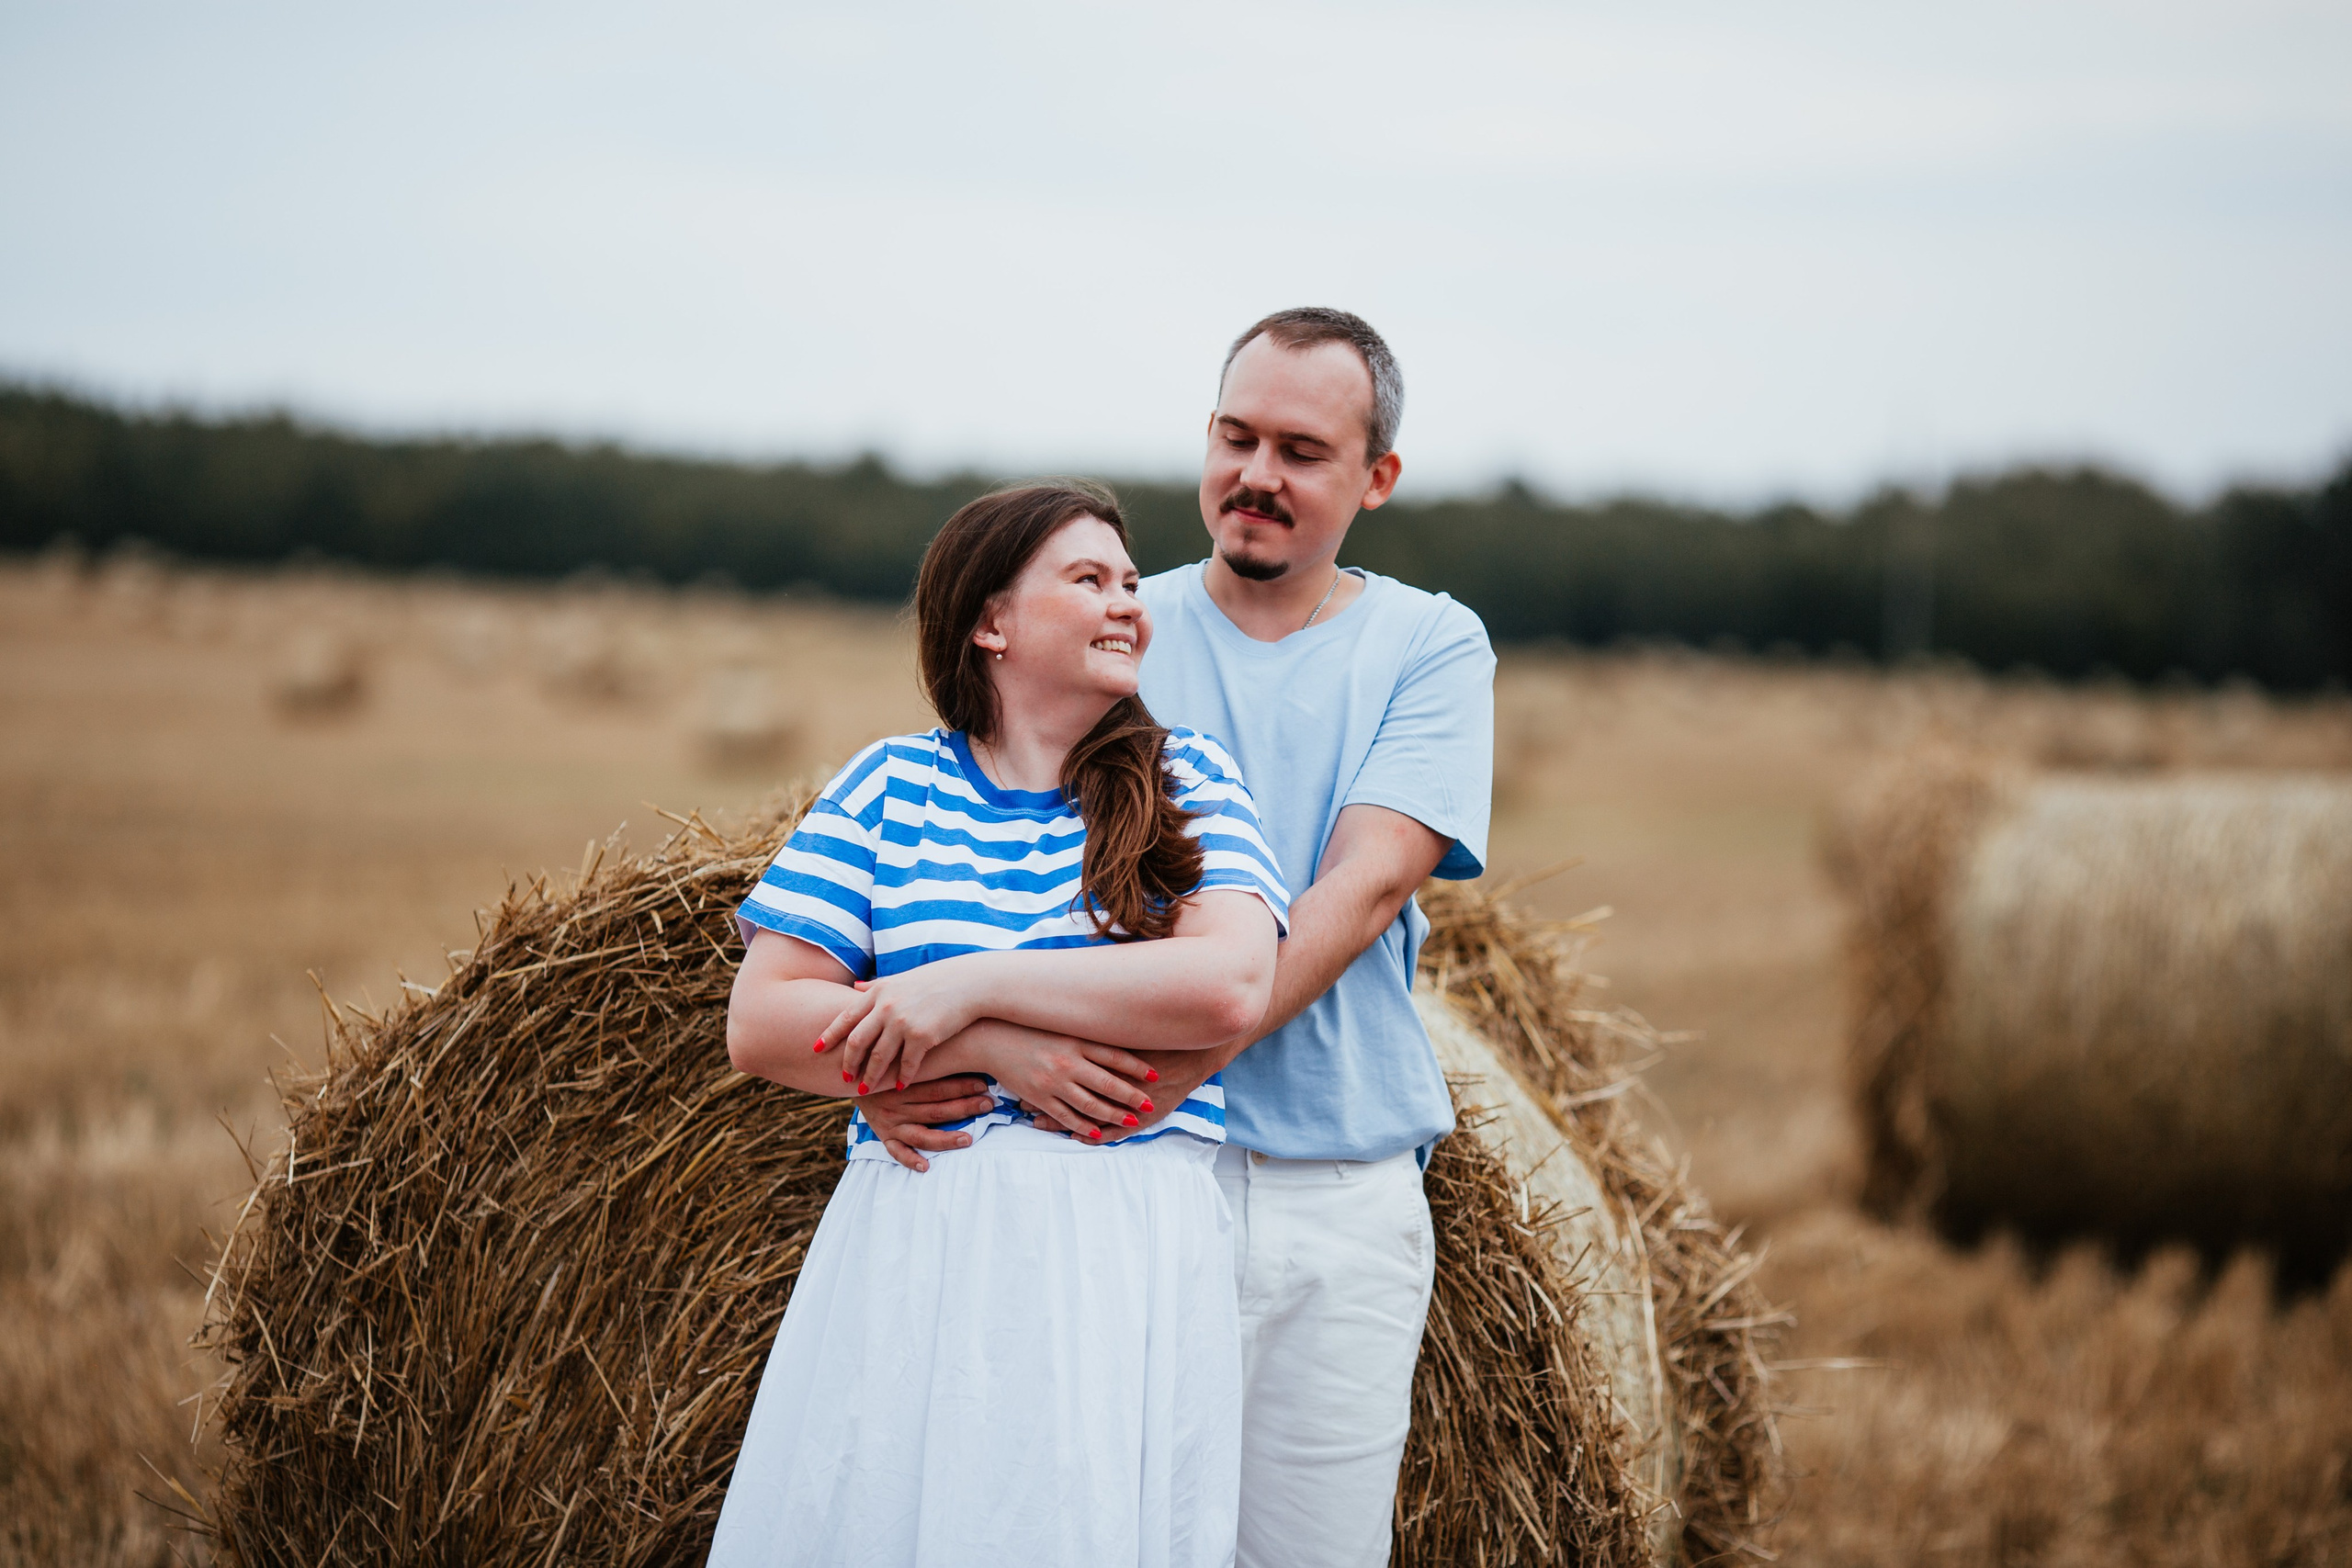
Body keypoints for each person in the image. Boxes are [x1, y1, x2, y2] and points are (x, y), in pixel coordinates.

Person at [860, 309, 1495, 1568]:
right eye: (1236, 435)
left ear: (1377, 479)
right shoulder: (1109, 624)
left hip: (1333, 1192)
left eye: (1302, 451)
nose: (1257, 474)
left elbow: (1360, 890)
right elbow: (962, 853)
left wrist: (1168, 1058)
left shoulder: (1430, 644)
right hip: (1111, 1187)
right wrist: (906, 1052)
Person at [709, 483, 1291, 1568]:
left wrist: (968, 984)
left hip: (1120, 1254)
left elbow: (1225, 986)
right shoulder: (890, 787)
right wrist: (985, 1045)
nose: (1128, 603)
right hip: (917, 1248)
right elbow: (763, 1019)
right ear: (991, 622)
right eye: (1088, 580)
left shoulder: (1187, 780)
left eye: (1128, 582)